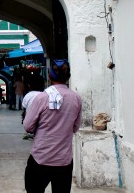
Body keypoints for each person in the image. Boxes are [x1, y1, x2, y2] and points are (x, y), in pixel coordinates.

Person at [23, 59, 82, 193]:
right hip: (64, 160)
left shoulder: (41, 98)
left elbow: (28, 126)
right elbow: (75, 128)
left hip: (41, 158)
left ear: (49, 76)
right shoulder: (76, 98)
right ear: (69, 76)